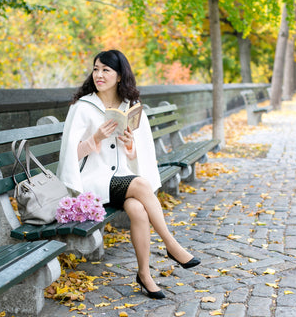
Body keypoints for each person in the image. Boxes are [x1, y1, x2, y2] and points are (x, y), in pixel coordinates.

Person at [57, 50, 200, 299]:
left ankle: (144, 274)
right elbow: (70, 156)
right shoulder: (83, 107)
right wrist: (96, 138)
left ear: (120, 76)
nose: (99, 75)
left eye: (106, 70)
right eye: (96, 69)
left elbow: (137, 157)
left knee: (137, 208)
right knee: (142, 186)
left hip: (121, 178)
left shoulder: (130, 107)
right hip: (92, 181)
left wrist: (130, 144)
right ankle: (171, 245)